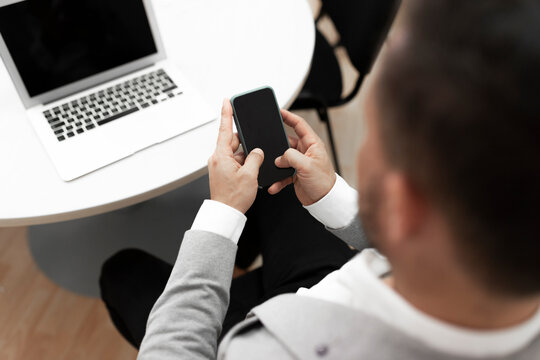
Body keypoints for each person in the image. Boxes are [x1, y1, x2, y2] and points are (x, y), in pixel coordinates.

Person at [99, 0, 540, 358]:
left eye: (375, 135)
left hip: (282, 319)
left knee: (122, 274)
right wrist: (333, 196)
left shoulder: (264, 353)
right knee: (277, 173)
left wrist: (220, 214)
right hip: (344, 272)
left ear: (403, 205)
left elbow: (173, 351)